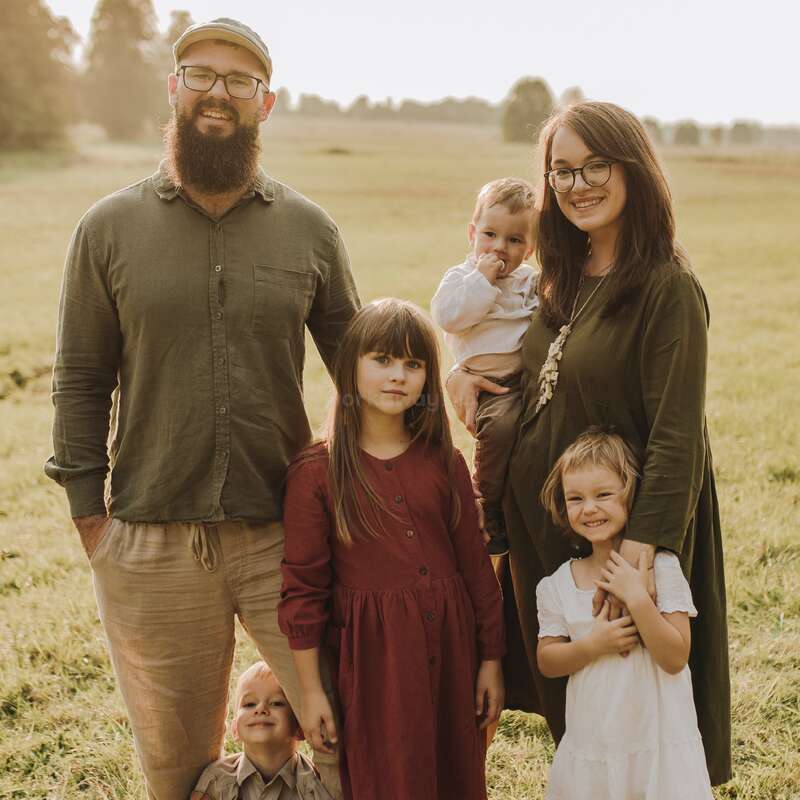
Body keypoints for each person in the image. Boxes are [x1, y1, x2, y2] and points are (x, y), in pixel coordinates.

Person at [44, 17, 359, 800]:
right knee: (176, 772)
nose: (220, 92)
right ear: (175, 88)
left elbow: (362, 374)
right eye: (202, 74)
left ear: (267, 103)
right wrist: (94, 520)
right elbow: (80, 377)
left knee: (345, 738)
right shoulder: (108, 229)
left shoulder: (309, 230)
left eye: (240, 81)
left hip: (284, 536)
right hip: (149, 541)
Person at [446, 101, 731, 785]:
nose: (578, 184)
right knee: (586, 724)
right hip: (558, 535)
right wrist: (464, 369)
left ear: (632, 167)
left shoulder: (666, 287)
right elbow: (548, 365)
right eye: (562, 171)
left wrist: (635, 559)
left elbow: (677, 435)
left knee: (639, 732)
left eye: (595, 164)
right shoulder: (563, 279)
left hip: (623, 545)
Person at [277, 299, 505, 800]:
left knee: (458, 775)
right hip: (377, 665)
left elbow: (475, 569)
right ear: (350, 365)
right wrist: (312, 690)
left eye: (413, 363)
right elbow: (303, 588)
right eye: (382, 359)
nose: (398, 375)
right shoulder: (317, 472)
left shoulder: (443, 461)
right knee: (392, 778)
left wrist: (490, 660)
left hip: (452, 648)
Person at [536, 428, 713, 799]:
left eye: (603, 494)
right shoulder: (555, 585)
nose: (589, 508)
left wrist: (637, 597)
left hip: (657, 739)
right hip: (596, 740)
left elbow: (675, 656)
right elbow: (548, 661)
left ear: (631, 495)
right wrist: (593, 645)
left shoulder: (660, 569)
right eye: (576, 498)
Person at [430, 177, 539, 555]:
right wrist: (483, 279)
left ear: (530, 248)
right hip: (488, 384)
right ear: (472, 233)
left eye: (514, 240)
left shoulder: (529, 281)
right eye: (490, 235)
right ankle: (486, 502)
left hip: (525, 379)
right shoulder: (462, 278)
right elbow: (450, 317)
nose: (500, 248)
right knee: (501, 430)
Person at [191, 661, 333, 800]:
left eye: (276, 703)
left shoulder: (313, 785)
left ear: (300, 728)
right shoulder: (216, 780)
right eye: (249, 704)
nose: (261, 709)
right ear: (235, 729)